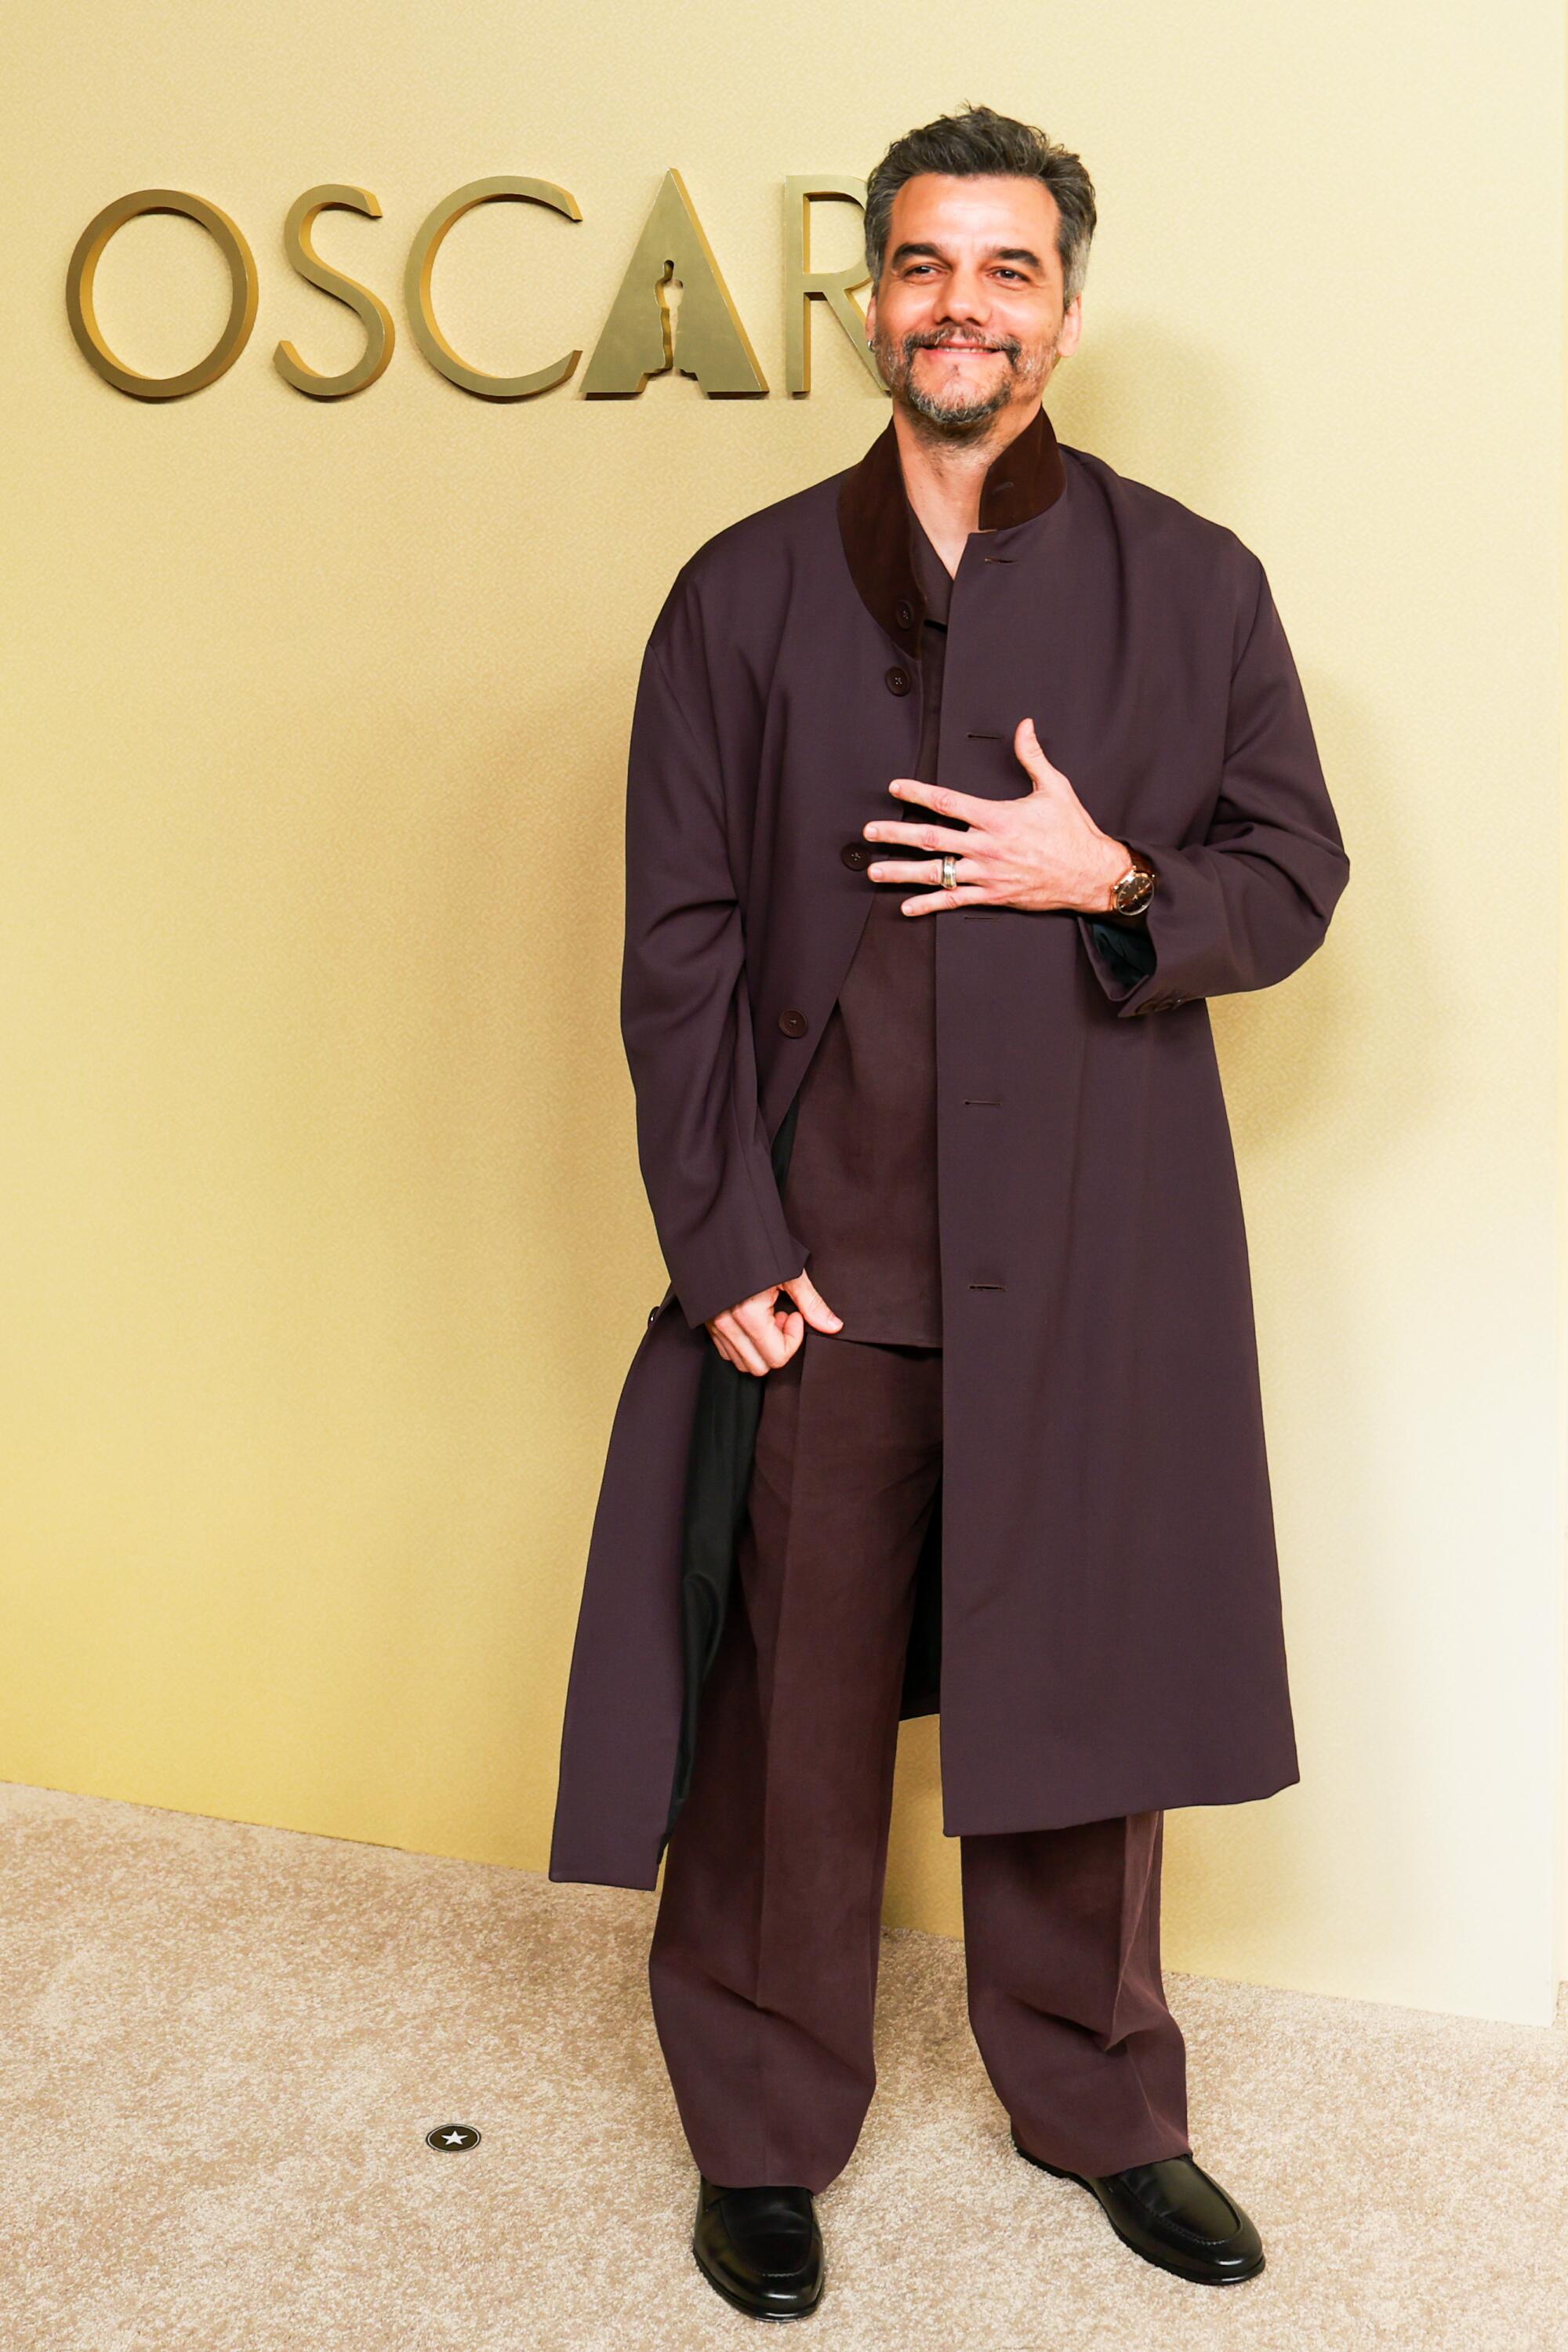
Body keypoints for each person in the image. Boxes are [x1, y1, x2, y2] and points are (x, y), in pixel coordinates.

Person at [548, 102, 1350, 2319]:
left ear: (1063, 311)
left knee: (1084, 1724)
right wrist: (726, 1249)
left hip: (1096, 1264)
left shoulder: (1196, 587)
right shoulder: (738, 593)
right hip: (827, 1271)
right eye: (922, 265)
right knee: (779, 1736)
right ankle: (761, 2132)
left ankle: (1106, 2107)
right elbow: (677, 946)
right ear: (869, 300)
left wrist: (1113, 879)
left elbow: (1294, 876)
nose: (959, 304)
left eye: (1004, 269)